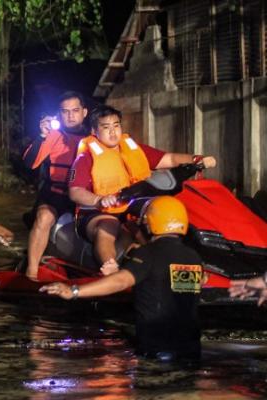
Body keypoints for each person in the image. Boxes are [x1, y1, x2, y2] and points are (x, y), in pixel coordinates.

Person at [41, 196, 203, 360]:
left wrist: (73, 291)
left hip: (156, 349)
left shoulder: (148, 253)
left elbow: (121, 281)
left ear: (150, 223)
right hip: (191, 350)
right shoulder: (193, 257)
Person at [69, 105, 217, 275]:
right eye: (106, 127)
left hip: (131, 207)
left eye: (116, 126)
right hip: (97, 212)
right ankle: (110, 269)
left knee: (164, 217)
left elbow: (168, 158)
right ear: (94, 131)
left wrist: (197, 159)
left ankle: (184, 266)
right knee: (109, 225)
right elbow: (75, 191)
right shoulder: (85, 158)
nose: (113, 132)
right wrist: (98, 200)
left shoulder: (134, 150)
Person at [22, 91, 89, 280]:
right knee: (44, 217)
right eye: (65, 111)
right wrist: (42, 136)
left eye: (75, 110)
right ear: (59, 114)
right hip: (55, 195)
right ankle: (32, 272)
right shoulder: (53, 136)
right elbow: (30, 163)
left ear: (84, 112)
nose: (70, 115)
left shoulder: (95, 136)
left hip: (85, 196)